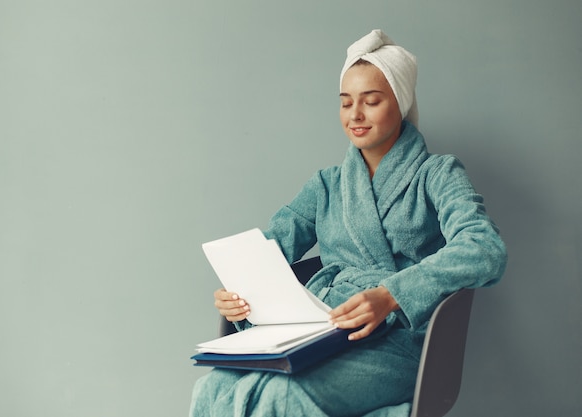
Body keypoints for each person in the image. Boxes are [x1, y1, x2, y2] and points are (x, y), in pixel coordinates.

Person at [189, 29, 507, 417]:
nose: (355, 115)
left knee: (279, 397)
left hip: (399, 341)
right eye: (345, 103)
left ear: (400, 103)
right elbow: (265, 249)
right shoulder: (326, 185)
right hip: (320, 332)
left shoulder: (437, 174)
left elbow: (484, 249)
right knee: (212, 388)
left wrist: (391, 295)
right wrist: (236, 290)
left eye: (371, 101)